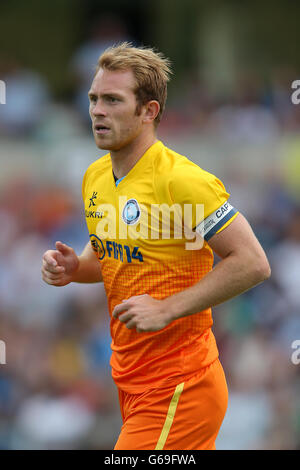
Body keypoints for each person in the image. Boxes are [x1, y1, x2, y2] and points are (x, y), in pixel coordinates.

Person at [41, 42, 271, 450]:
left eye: (113, 99)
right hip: (131, 380)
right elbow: (111, 255)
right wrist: (75, 267)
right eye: (94, 98)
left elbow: (253, 262)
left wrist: (167, 308)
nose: (97, 109)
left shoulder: (182, 180)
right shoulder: (95, 176)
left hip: (181, 384)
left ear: (149, 111)